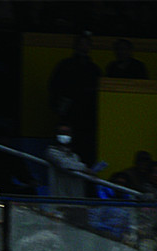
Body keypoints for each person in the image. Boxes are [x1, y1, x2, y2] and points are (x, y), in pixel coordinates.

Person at [47, 33, 101, 166]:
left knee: (86, 148)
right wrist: (59, 108)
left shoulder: (94, 69)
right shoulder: (65, 66)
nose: (84, 47)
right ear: (75, 46)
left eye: (86, 44)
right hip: (69, 115)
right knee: (65, 146)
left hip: (88, 118)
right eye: (81, 43)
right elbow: (55, 87)